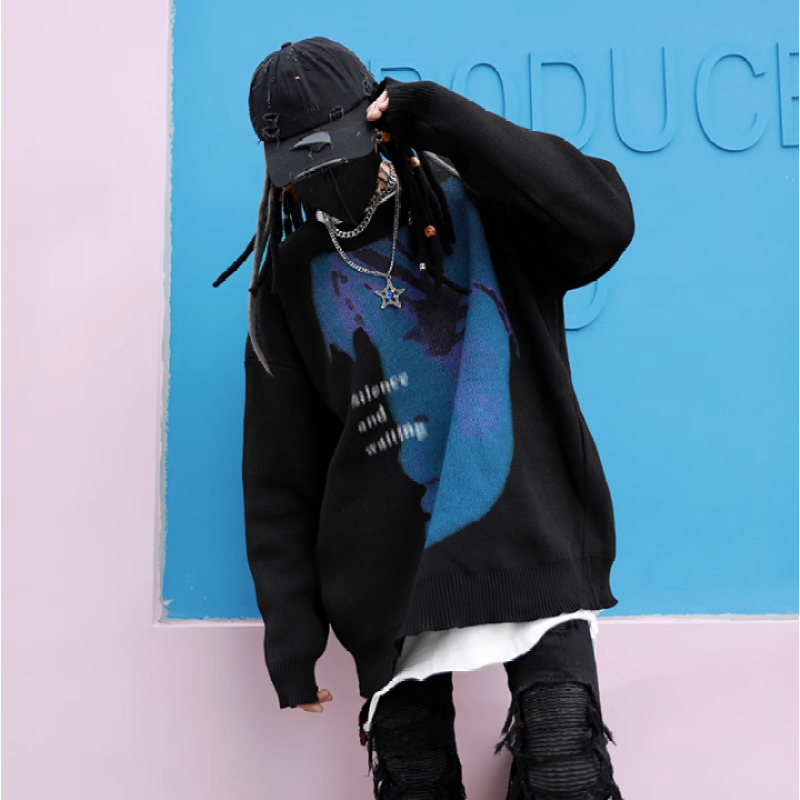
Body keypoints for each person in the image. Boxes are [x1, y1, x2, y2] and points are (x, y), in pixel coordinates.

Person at [215, 36, 634, 800]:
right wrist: (292, 639)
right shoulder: (289, 276)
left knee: (567, 768)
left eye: (335, 150)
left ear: (377, 119)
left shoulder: (481, 203)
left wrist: (440, 116)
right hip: (385, 578)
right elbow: (278, 467)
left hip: (527, 533)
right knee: (414, 783)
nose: (322, 181)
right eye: (299, 169)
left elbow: (605, 220)